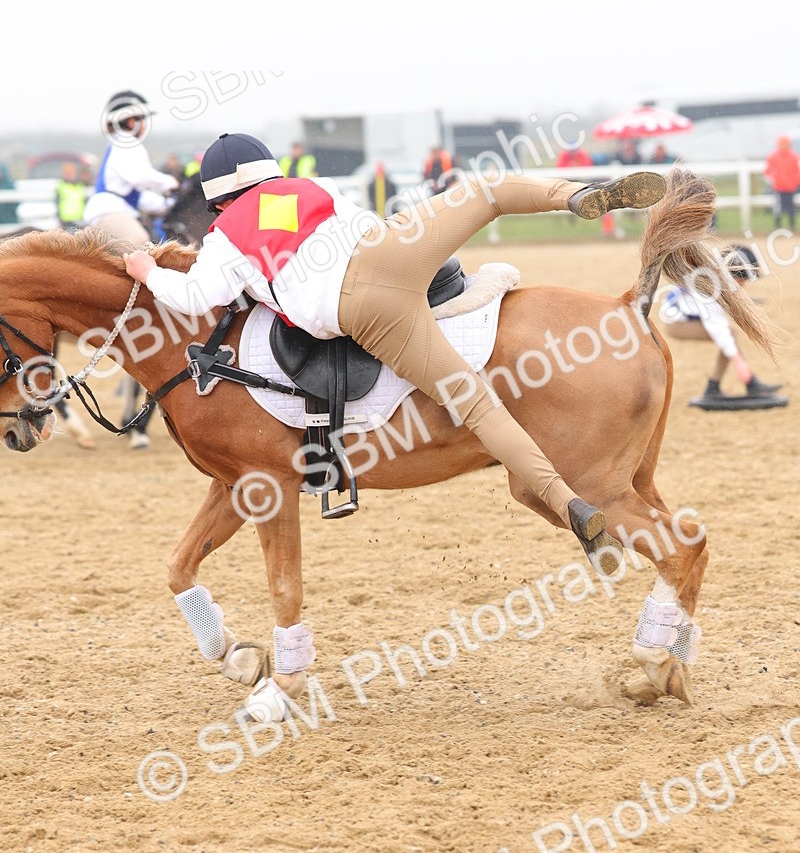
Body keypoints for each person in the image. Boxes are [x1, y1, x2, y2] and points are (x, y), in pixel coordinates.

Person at [122, 132, 667, 572]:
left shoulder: (225, 236)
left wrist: (148, 271)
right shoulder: (311, 189)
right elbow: (363, 226)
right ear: (271, 175)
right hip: (394, 251)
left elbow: (197, 297)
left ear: (217, 198)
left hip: (359, 311)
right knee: (487, 193)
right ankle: (574, 195)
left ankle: (571, 506)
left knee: (478, 407)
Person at [84, 90, 180, 448]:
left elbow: (147, 198)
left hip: (116, 208)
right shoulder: (127, 147)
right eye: (138, 119)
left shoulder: (124, 151)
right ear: (128, 121)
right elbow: (145, 179)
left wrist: (170, 198)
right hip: (110, 213)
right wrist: (173, 183)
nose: (140, 126)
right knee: (144, 251)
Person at [658, 244, 784, 405]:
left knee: (730, 335)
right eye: (741, 279)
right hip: (677, 323)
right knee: (729, 336)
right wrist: (739, 364)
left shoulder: (714, 276)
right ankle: (725, 386)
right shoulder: (710, 290)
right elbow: (719, 330)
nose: (743, 285)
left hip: (684, 315)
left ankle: (740, 384)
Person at [763, 135, 800, 230]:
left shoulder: (794, 156)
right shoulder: (773, 156)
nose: (784, 145)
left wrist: (796, 182)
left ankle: (792, 228)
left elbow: (797, 171)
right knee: (778, 208)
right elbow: (767, 171)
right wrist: (773, 180)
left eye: (786, 143)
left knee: (791, 208)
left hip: (791, 187)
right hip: (778, 187)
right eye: (782, 143)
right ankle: (778, 228)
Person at [54, 162, 90, 229]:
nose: (70, 175)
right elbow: (57, 202)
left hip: (79, 219)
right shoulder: (61, 186)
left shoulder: (80, 185)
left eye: (72, 173)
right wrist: (59, 217)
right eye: (68, 174)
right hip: (66, 220)